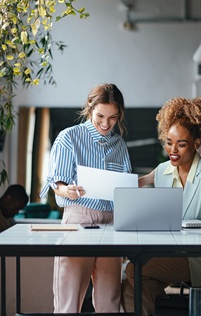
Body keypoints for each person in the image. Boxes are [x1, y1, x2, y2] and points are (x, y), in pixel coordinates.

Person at [121, 97, 201, 316]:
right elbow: (146, 188)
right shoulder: (163, 170)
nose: (172, 150)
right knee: (128, 287)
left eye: (181, 144)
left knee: (135, 271)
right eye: (168, 142)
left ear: (197, 143)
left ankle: (162, 308)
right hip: (173, 250)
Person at [39, 83, 132, 314]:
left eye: (113, 117)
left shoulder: (119, 144)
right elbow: (56, 184)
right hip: (78, 220)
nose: (106, 123)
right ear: (90, 108)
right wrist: (65, 190)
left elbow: (125, 188)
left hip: (111, 223)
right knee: (68, 303)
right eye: (100, 115)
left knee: (109, 301)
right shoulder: (69, 137)